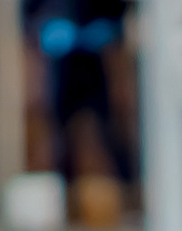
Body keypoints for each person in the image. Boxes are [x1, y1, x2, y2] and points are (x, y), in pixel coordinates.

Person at [29, 1, 137, 195]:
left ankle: (131, 190)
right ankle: (63, 195)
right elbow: (29, 15)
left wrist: (110, 28)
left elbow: (120, 11)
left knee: (109, 132)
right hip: (61, 70)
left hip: (93, 68)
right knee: (60, 139)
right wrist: (45, 27)